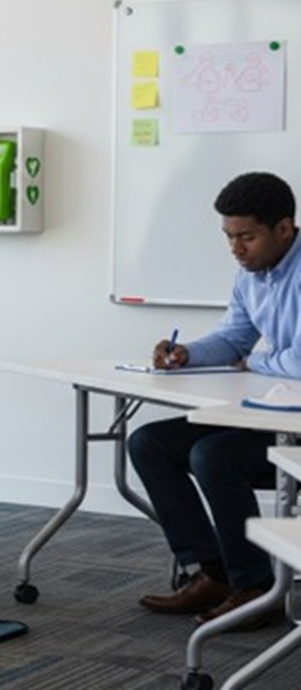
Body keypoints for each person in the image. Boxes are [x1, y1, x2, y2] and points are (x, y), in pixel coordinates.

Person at [130, 171, 301, 631]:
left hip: (297, 427)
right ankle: (213, 573)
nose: (235, 249)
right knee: (149, 442)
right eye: (229, 237)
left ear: (284, 228)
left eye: (246, 237)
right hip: (274, 413)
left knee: (214, 455)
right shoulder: (250, 275)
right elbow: (233, 338)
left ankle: (256, 588)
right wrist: (187, 354)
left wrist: (255, 362)